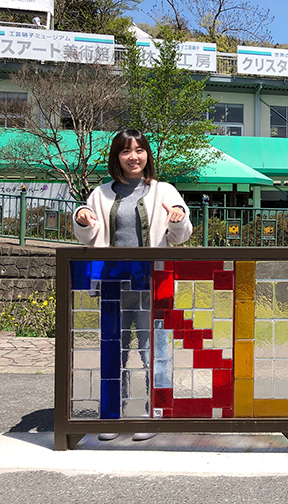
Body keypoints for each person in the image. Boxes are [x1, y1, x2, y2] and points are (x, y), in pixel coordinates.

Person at [74, 129, 192, 441]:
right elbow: (85, 234)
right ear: (117, 157)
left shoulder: (164, 191)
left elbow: (180, 234)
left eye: (139, 149)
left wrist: (178, 218)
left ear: (147, 154)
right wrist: (81, 216)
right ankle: (114, 414)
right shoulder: (100, 194)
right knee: (113, 349)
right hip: (112, 282)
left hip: (152, 281)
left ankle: (154, 413)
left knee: (154, 348)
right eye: (126, 151)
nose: (134, 156)